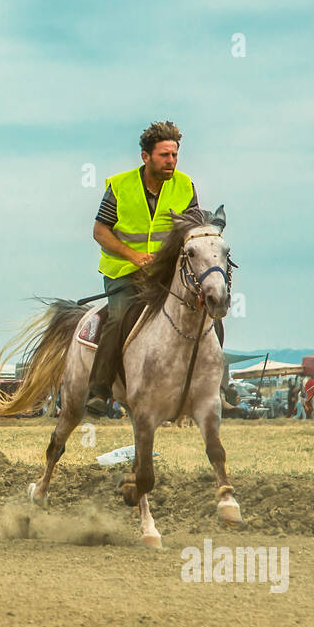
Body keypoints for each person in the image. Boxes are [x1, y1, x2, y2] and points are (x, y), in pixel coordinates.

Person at [85, 120, 235, 416]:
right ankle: (99, 391)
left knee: (210, 315)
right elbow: (100, 231)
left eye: (174, 155)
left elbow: (192, 227)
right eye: (164, 155)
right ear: (146, 157)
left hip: (166, 273)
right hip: (123, 271)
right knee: (117, 318)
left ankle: (217, 387)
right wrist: (132, 255)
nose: (171, 162)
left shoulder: (184, 185)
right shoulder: (120, 186)